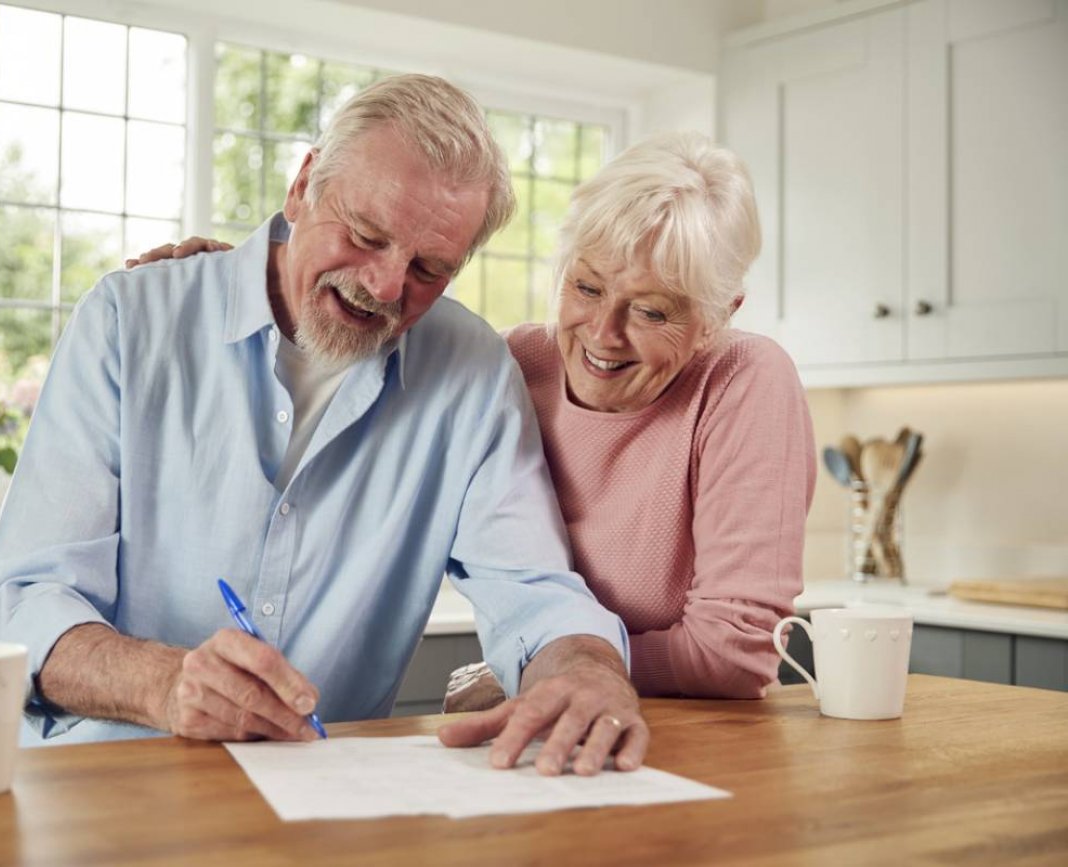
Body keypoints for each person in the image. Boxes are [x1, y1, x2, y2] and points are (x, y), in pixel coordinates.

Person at [0, 74, 648, 779]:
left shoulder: (473, 372)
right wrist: (162, 682)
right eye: (365, 235)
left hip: (324, 807)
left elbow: (534, 590)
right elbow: (20, 599)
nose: (386, 286)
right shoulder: (131, 319)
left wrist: (589, 669)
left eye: (428, 268)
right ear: (302, 186)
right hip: (100, 789)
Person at [138, 132, 816, 710]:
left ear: (720, 315)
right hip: (553, 715)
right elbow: (354, 332)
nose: (603, 334)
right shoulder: (514, 363)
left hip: (691, 732)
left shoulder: (745, 379)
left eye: (653, 312)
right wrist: (250, 278)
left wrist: (539, 663)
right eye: (586, 287)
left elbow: (733, 650)